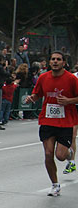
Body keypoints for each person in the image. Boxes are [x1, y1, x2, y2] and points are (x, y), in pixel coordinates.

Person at [25, 51, 78, 196]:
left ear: (64, 63)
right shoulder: (43, 77)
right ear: (49, 62)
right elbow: (38, 94)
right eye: (53, 59)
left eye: (58, 59)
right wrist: (31, 99)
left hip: (65, 122)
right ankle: (55, 185)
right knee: (48, 154)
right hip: (47, 120)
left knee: (60, 155)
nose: (55, 61)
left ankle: (69, 154)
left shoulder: (71, 79)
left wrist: (69, 101)